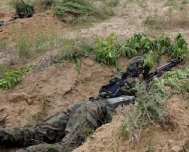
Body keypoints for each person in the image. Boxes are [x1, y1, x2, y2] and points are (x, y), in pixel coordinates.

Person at [0, 56, 147, 152]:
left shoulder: (118, 78)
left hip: (84, 105)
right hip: (92, 110)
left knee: (38, 132)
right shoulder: (136, 85)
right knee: (66, 148)